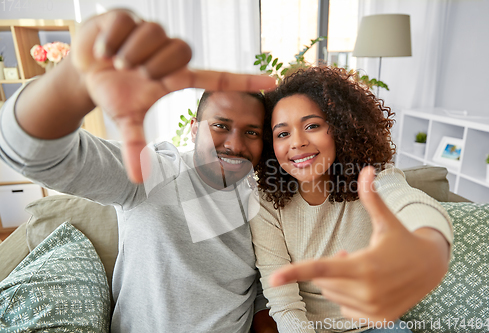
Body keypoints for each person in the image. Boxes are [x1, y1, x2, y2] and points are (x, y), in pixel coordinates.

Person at [0, 9, 279, 333]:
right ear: (193, 128)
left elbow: (263, 285)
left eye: (251, 132)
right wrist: (74, 82)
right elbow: (31, 154)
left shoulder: (263, 201)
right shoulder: (154, 172)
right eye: (220, 126)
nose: (235, 144)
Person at [249, 66, 453, 332]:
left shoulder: (373, 178)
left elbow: (408, 202)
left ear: (341, 128)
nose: (297, 142)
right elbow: (285, 304)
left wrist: (430, 243)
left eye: (312, 125)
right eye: (283, 133)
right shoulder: (266, 201)